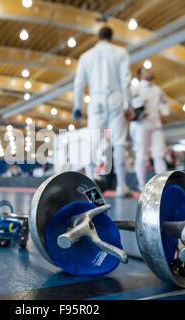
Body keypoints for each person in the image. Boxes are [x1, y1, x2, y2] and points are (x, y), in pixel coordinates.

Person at [72, 26, 133, 197]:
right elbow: (125, 81)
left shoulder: (86, 56)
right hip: (115, 99)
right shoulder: (121, 52)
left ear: (98, 37)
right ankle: (121, 187)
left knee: (93, 142)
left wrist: (77, 107)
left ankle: (90, 185)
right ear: (111, 37)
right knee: (119, 142)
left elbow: (78, 84)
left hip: (96, 100)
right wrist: (129, 105)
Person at [129, 67, 170, 191]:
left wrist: (165, 113)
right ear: (140, 75)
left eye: (151, 70)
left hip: (155, 124)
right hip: (141, 125)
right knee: (142, 154)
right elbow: (128, 105)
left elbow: (164, 103)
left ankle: (163, 184)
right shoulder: (135, 88)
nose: (151, 71)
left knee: (159, 153)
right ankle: (142, 185)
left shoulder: (158, 90)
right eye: (147, 70)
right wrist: (135, 114)